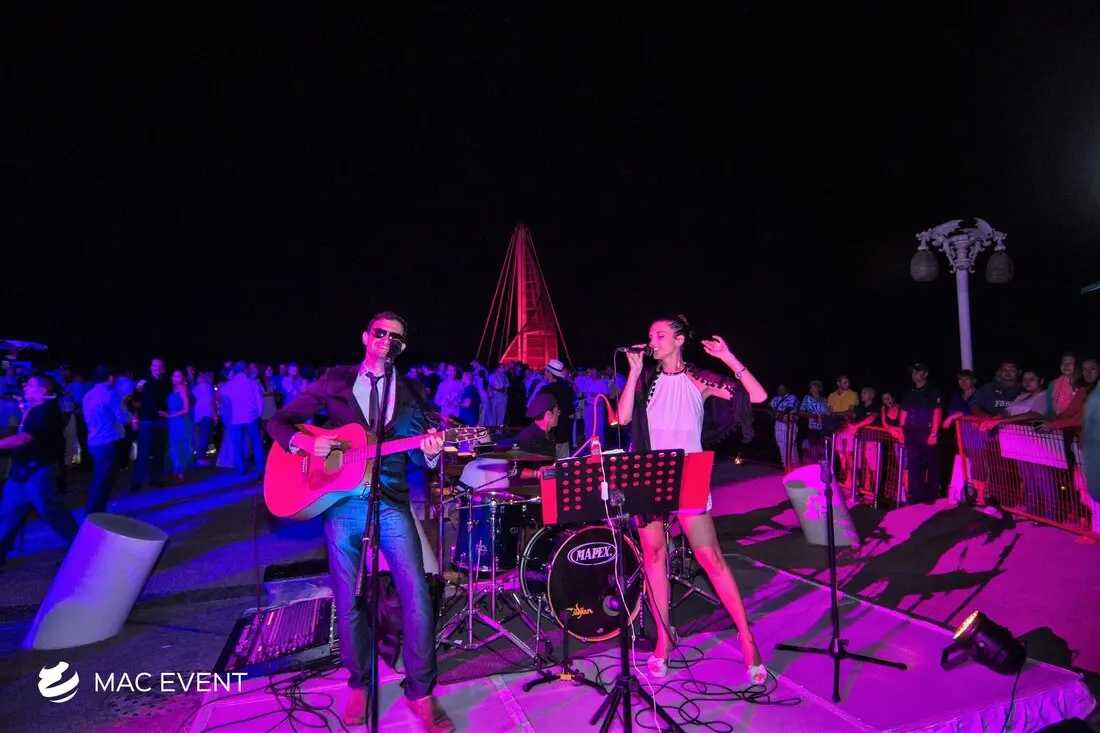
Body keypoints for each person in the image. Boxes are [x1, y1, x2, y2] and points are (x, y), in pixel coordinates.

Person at [267, 312, 454, 733]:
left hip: (391, 502)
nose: (387, 340)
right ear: (366, 337)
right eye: (380, 333)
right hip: (341, 504)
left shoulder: (412, 392)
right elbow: (278, 422)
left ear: (402, 347)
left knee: (417, 596)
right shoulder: (335, 380)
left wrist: (430, 452)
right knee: (348, 597)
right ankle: (359, 682)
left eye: (396, 337)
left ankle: (421, 691)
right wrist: (307, 443)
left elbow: (416, 451)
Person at [616, 314, 769, 684]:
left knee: (710, 557)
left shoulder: (698, 380)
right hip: (648, 475)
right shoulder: (645, 380)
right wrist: (633, 372)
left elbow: (758, 396)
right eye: (650, 335)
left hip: (688, 475)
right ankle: (664, 638)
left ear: (680, 340)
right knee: (654, 556)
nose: (652, 341)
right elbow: (622, 419)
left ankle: (746, 637)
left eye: (660, 335)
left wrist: (728, 357)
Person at [0, 375, 81, 572]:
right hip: (22, 472)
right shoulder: (34, 408)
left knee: (52, 514)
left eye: (30, 385)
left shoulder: (45, 410)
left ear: (43, 390)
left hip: (37, 472)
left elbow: (24, 438)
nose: (25, 387)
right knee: (6, 515)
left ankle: (82, 552)